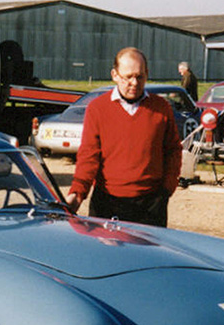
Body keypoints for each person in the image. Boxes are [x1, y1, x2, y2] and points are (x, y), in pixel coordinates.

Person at [66, 47, 182, 227]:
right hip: (107, 204)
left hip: (151, 206)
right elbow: (89, 156)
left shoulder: (161, 108)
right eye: (128, 77)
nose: (134, 83)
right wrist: (77, 193)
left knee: (148, 256)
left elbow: (173, 150)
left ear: (147, 74)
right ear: (115, 75)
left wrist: (167, 188)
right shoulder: (97, 109)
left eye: (140, 76)